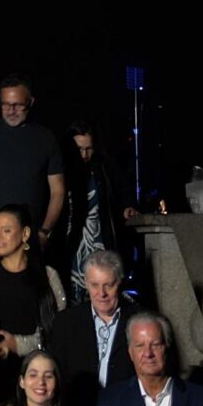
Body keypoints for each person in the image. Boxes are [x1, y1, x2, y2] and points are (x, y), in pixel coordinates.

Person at [0, 77, 65, 266]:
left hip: (30, 238)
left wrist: (44, 231)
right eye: (5, 105)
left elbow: (58, 190)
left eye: (17, 105)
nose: (11, 111)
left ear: (31, 102)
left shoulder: (46, 138)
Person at [43, 251, 133, 406]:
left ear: (120, 283)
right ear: (85, 283)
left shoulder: (139, 320)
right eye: (94, 285)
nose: (102, 293)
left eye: (109, 285)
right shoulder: (66, 322)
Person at [0, 205, 70, 365]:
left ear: (25, 233)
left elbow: (60, 330)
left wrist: (17, 344)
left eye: (6, 231)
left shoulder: (48, 275)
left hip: (34, 368)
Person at [59, 122, 137, 294]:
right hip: (71, 244)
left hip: (100, 242)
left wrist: (126, 207)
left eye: (89, 148)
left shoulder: (103, 168)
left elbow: (123, 190)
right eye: (79, 149)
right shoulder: (61, 172)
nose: (84, 154)